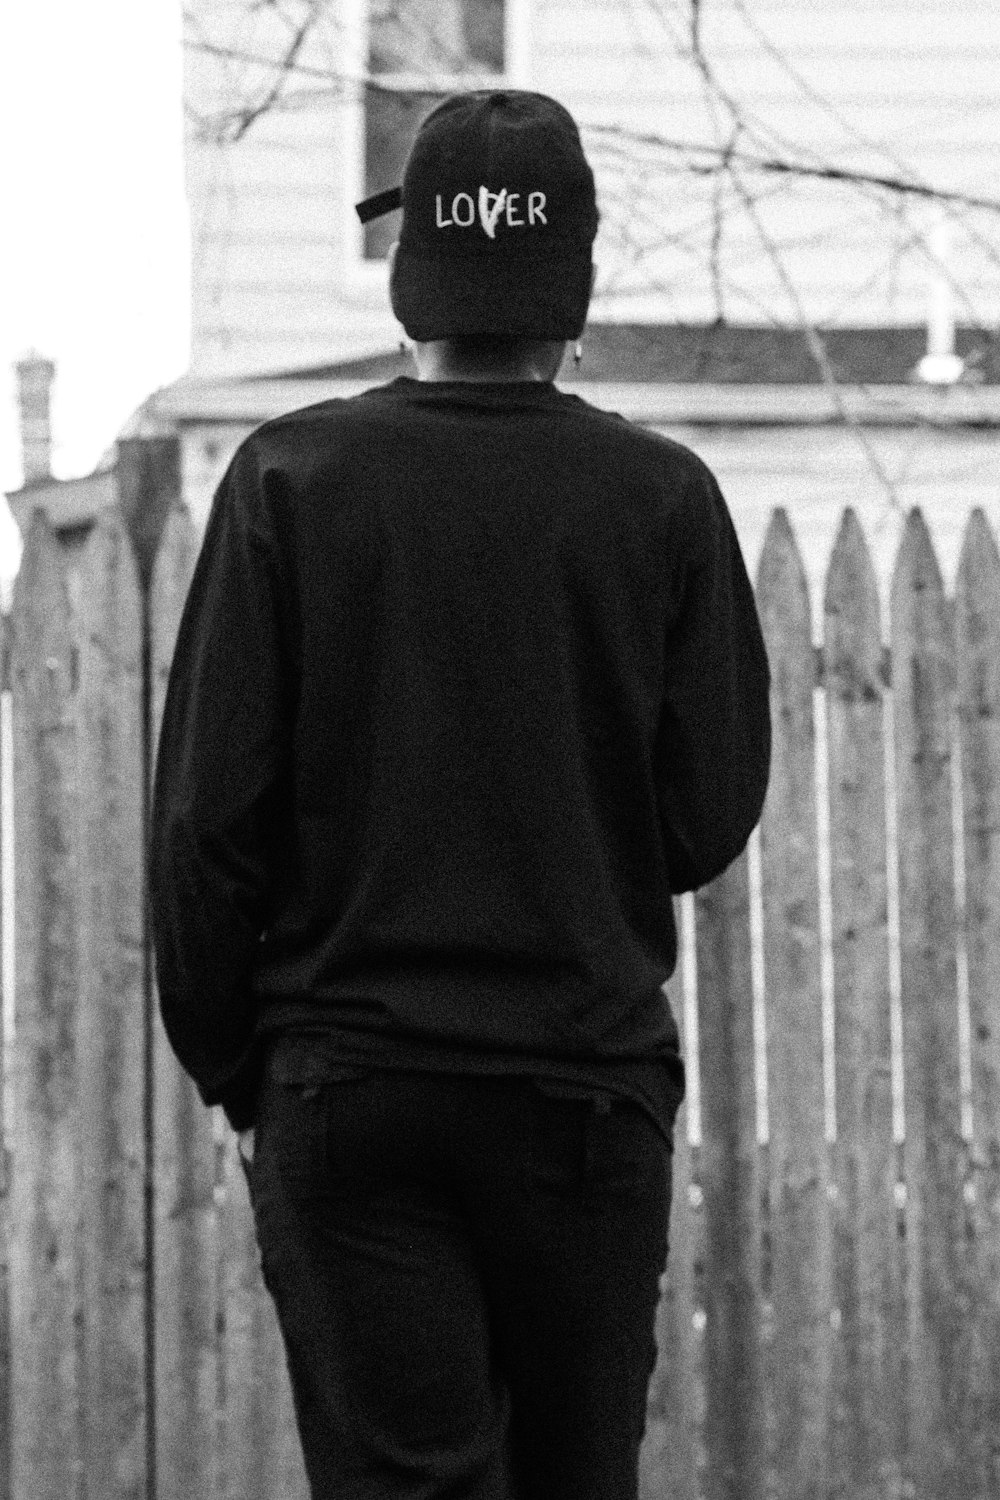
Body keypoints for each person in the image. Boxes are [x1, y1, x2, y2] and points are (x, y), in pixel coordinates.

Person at [149, 89, 771, 1500]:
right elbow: (705, 813)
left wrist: (238, 1068)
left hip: (350, 1087)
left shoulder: (290, 482)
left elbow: (205, 827)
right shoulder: (661, 500)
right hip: (581, 1093)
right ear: (575, 285)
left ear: (408, 269)